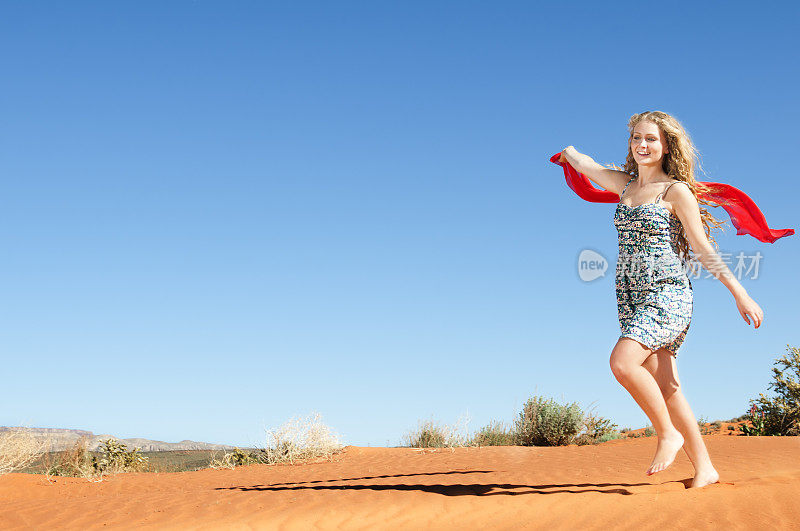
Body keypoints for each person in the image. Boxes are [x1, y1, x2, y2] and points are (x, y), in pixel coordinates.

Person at [559, 111, 764, 489]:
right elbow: (588, 167)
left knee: (622, 362)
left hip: (668, 293)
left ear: (667, 145)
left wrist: (742, 294)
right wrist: (570, 152)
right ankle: (706, 468)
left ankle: (667, 434)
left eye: (651, 139)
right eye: (636, 138)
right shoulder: (625, 187)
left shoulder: (675, 192)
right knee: (668, 385)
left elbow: (702, 246)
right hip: (631, 296)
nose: (641, 145)